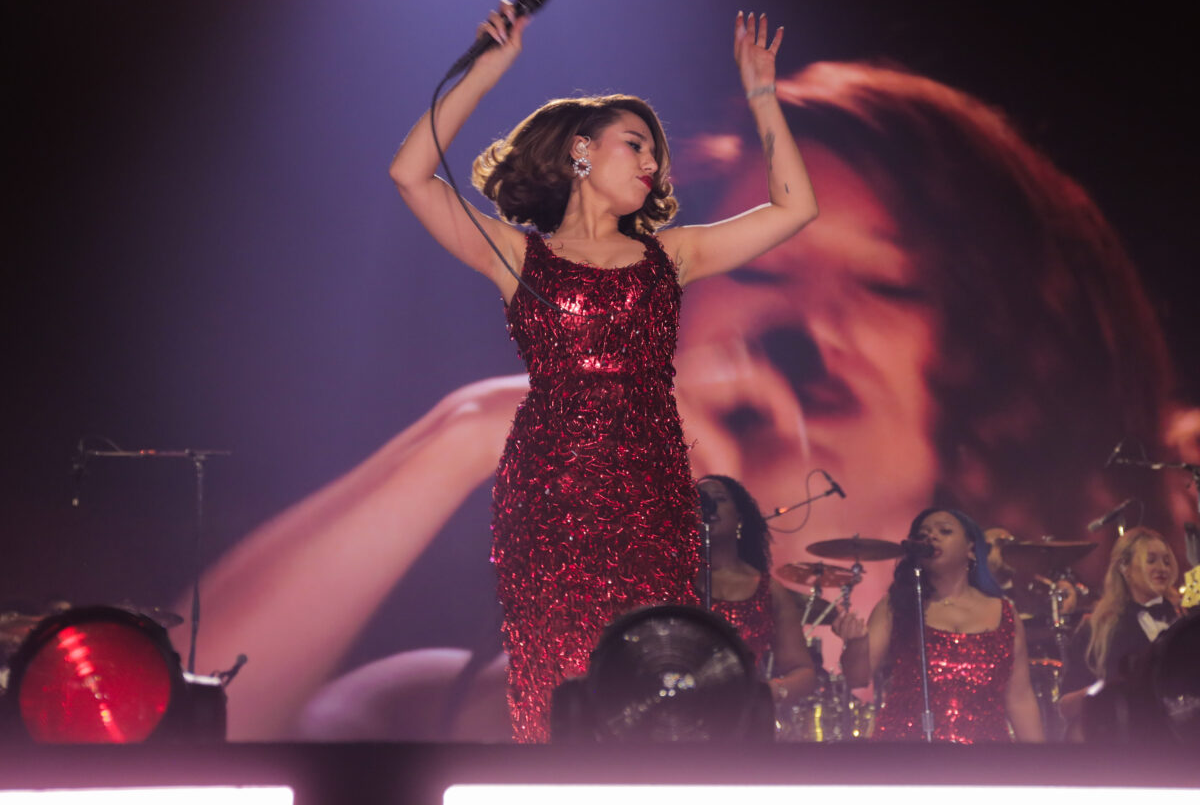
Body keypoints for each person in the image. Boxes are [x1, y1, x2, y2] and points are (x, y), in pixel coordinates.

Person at [170, 61, 1190, 742]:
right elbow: (170, 715)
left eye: (884, 286)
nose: (806, 322)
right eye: (765, 276)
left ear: (984, 379)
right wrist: (466, 430)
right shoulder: (453, 701)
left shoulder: (1032, 684)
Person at [385, 1, 817, 742]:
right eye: (636, 145)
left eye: (656, 154)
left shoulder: (672, 255)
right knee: (555, 680)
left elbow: (794, 208)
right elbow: (410, 174)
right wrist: (486, 72)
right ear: (581, 152)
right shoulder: (518, 256)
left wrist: (762, 96)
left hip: (653, 489)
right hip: (548, 489)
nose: (653, 164)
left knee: (652, 672)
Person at [833, 508, 1044, 742]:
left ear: (971, 549)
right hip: (906, 748)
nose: (931, 537)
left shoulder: (1004, 613)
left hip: (984, 752)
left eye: (945, 531)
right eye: (923, 535)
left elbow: (1020, 699)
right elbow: (857, 678)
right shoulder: (897, 605)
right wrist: (856, 643)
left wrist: (1039, 760)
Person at [696, 474, 817, 708]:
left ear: (739, 518)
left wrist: (770, 691)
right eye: (699, 500)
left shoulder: (768, 591)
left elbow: (803, 672)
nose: (709, 506)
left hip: (741, 717)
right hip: (678, 716)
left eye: (719, 499)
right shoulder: (672, 581)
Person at [1057, 526, 1181, 735]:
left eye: (1167, 561)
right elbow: (1065, 706)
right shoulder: (1096, 629)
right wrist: (1103, 692)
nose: (1162, 568)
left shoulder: (1184, 622)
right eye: (1151, 560)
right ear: (1124, 567)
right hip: (1125, 742)